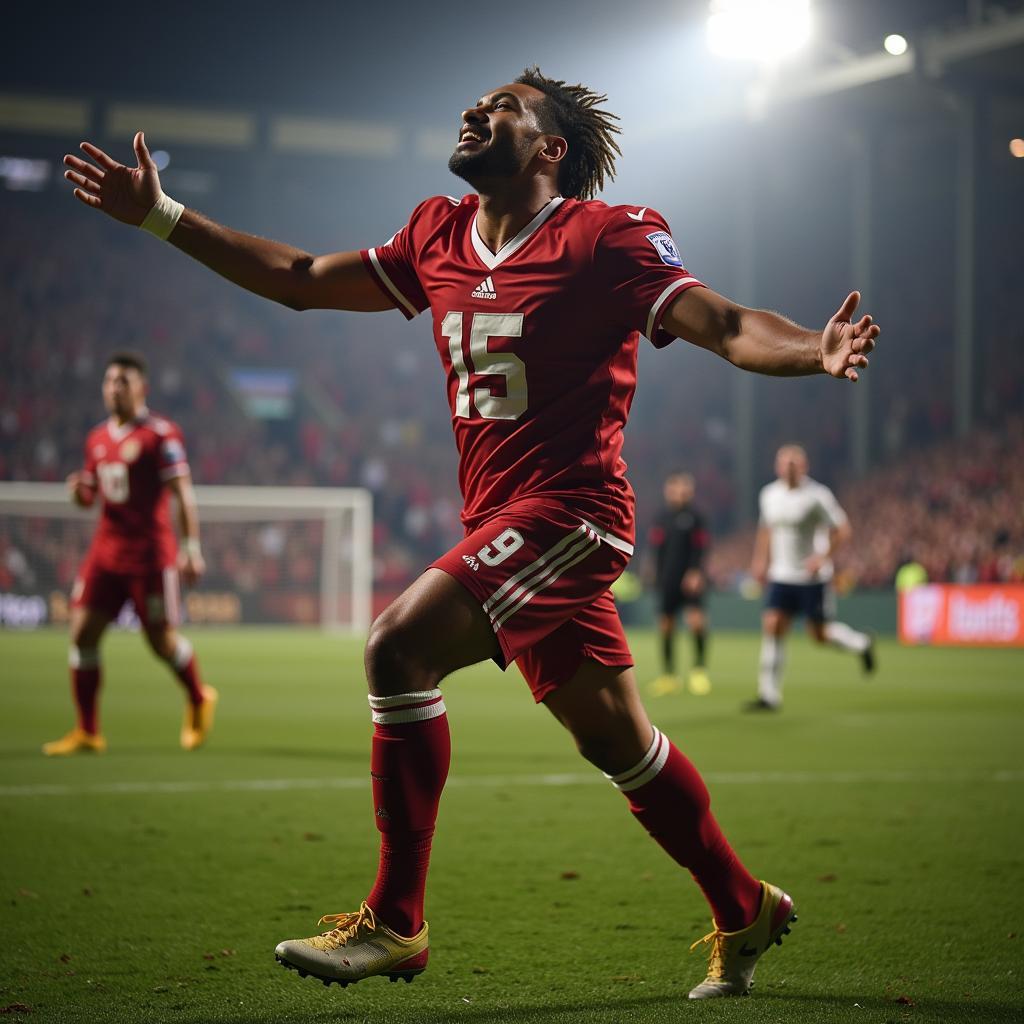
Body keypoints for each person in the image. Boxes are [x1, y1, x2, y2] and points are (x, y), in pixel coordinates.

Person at [63, 67, 878, 999]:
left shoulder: (606, 236)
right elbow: (296, 281)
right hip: (500, 521)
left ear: (548, 149)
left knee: (397, 647)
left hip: (573, 517)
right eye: (476, 103)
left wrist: (813, 347)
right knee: (623, 744)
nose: (473, 111)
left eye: (502, 109)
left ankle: (395, 922)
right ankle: (745, 906)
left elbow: (726, 323)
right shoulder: (435, 232)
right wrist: (166, 215)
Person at [43, 352, 218, 755]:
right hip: (105, 554)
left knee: (160, 642)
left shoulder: (161, 434)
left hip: (149, 557)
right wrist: (80, 494)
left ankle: (197, 696)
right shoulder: (96, 438)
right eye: (109, 381)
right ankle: (88, 731)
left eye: (123, 380)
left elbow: (182, 493)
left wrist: (191, 547)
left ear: (142, 387)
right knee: (82, 634)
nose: (114, 387)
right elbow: (91, 495)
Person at [747, 444, 876, 712]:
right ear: (777, 466)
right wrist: (760, 562)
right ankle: (768, 695)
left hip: (811, 578)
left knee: (819, 635)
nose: (789, 467)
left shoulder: (817, 496)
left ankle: (861, 643)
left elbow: (842, 530)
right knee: (772, 625)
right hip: (781, 575)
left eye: (795, 462)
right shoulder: (769, 494)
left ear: (804, 466)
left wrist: (823, 557)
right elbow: (765, 530)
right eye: (785, 462)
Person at [647, 472, 712, 697]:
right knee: (666, 625)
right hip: (667, 579)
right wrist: (653, 572)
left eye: (684, 488)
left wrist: (695, 572)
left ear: (690, 491)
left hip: (691, 579)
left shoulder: (696, 517)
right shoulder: (661, 517)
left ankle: (698, 671)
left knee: (696, 622)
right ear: (668, 490)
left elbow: (700, 548)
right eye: (675, 487)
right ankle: (669, 676)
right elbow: (656, 549)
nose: (680, 492)